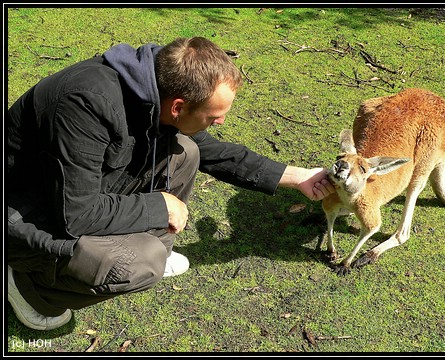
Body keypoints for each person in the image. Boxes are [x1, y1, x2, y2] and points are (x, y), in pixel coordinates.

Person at [7, 36, 335, 331]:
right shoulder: (85, 105)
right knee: (140, 263)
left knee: (187, 151)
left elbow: (213, 152)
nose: (220, 122)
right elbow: (77, 213)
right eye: (213, 115)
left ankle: (147, 250)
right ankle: (30, 289)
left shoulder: (153, 89)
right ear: (178, 107)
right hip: (26, 211)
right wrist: (158, 205)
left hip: (73, 190)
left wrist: (296, 176)